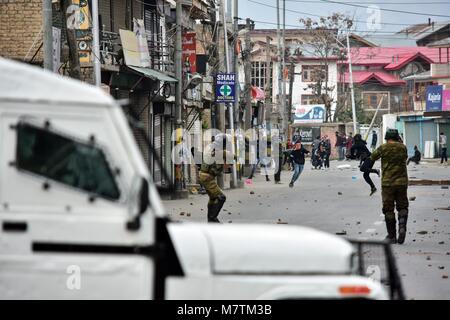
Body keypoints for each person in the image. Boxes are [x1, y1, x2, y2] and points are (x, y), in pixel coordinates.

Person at [371, 129, 409, 244]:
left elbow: (373, 157)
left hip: (388, 183)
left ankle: (392, 236)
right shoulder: (403, 147)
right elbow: (405, 158)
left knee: (388, 209)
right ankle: (402, 227)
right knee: (402, 207)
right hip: (402, 182)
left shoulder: (383, 148)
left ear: (386, 137)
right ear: (397, 137)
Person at [198, 134, 232, 223]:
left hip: (205, 176)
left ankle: (211, 219)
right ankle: (212, 219)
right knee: (221, 197)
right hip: (207, 177)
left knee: (213, 198)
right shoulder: (220, 151)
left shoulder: (212, 148)